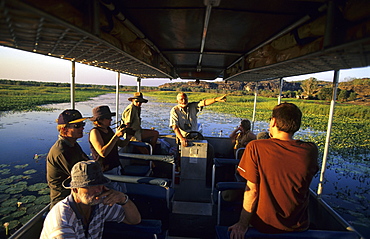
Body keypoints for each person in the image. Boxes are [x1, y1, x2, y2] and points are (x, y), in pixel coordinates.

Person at [229, 103, 319, 238]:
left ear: (274, 122)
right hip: (298, 227)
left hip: (264, 225)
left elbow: (252, 191)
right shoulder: (310, 150)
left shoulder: (256, 147)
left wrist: (242, 224)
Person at [40, 160, 141, 239]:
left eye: (100, 184)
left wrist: (124, 200)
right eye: (90, 186)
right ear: (75, 189)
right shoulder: (63, 223)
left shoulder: (99, 204)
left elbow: (134, 220)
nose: (98, 190)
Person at [46, 109, 90, 209]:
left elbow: (86, 164)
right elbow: (81, 177)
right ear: (64, 129)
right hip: (63, 202)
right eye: (77, 126)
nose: (82, 128)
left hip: (76, 196)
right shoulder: (61, 151)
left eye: (82, 124)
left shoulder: (73, 145)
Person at [89, 105, 134, 192]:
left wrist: (128, 137)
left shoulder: (108, 130)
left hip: (116, 167)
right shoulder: (95, 132)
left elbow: (121, 144)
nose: (111, 120)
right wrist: (116, 136)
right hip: (105, 171)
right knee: (113, 195)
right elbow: (102, 153)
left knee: (123, 191)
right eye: (108, 118)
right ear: (100, 120)